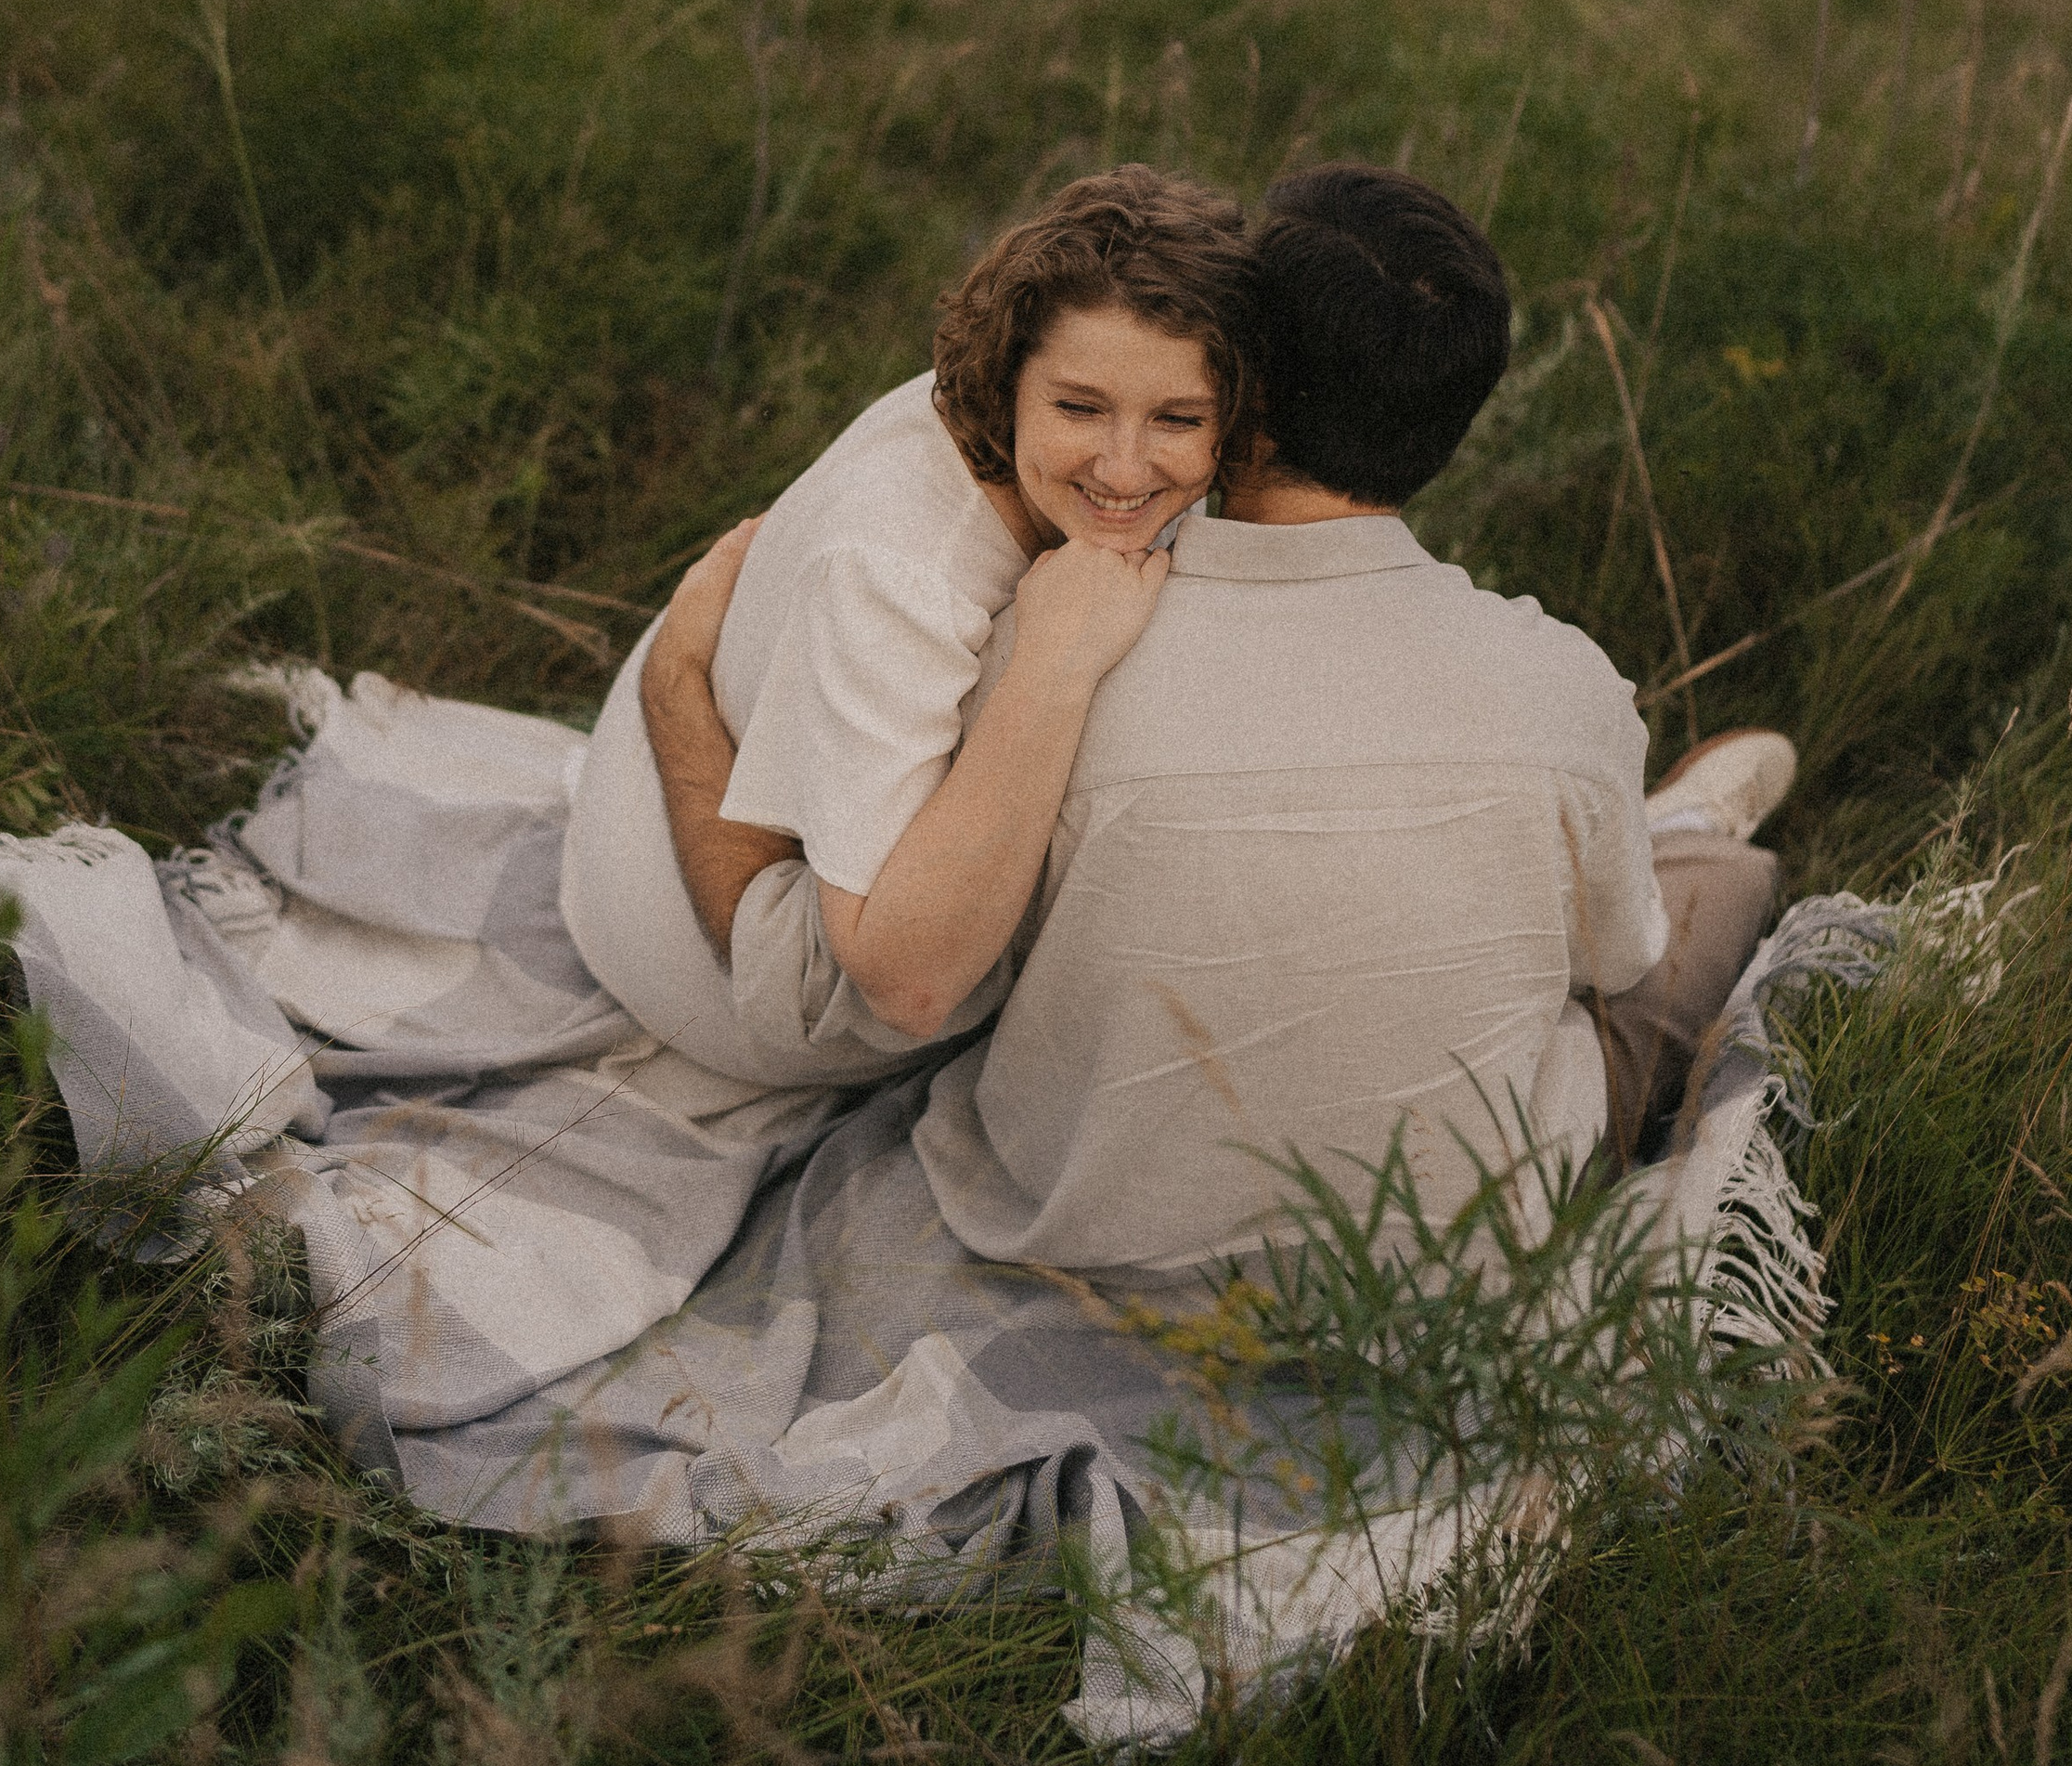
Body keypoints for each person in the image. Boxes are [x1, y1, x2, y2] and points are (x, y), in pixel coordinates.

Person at [649, 161, 1793, 1288]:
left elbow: (924, 963)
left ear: (1239, 400)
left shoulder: (1046, 643)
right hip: (1435, 1264)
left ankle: (1657, 826)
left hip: (1058, 1216)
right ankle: (1682, 828)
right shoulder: (1569, 681)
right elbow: (1616, 959)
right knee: (1707, 903)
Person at [559, 163, 1252, 1089]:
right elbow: (904, 987)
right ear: (1006, 380)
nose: (1123, 471)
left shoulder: (1052, 431)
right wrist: (1056, 657)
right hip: (702, 970)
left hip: (711, 829)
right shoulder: (898, 573)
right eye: (1078, 408)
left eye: (1178, 417)